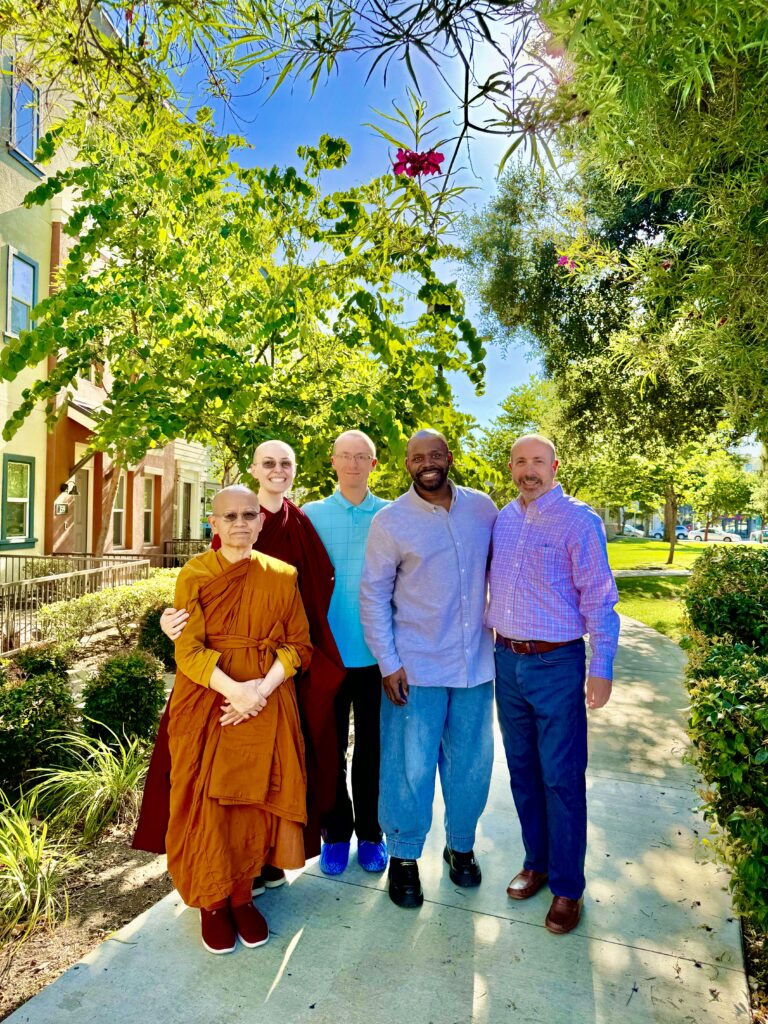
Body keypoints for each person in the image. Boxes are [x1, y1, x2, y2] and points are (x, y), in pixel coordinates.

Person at [133, 441, 345, 885]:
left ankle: (265, 857)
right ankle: (218, 872)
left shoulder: (300, 522)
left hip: (283, 666)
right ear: (253, 470)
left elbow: (316, 592)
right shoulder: (231, 521)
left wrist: (272, 678)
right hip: (220, 676)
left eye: (285, 463)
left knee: (280, 765)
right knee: (213, 772)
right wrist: (173, 624)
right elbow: (204, 594)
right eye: (268, 463)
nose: (277, 470)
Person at [163, 485, 311, 954]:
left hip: (265, 703)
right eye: (230, 516)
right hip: (211, 703)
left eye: (250, 514)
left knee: (253, 803)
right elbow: (187, 648)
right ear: (214, 522)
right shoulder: (196, 573)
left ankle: (243, 896)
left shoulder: (282, 575)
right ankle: (211, 901)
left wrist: (259, 692)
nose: (241, 523)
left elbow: (299, 646)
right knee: (209, 802)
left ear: (261, 522)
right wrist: (236, 692)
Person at [486, 434, 619, 935]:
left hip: (557, 664)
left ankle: (567, 887)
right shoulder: (503, 518)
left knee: (561, 777)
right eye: (520, 461)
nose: (528, 470)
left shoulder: (580, 522)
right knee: (522, 770)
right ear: (511, 467)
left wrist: (600, 666)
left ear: (555, 465)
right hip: (508, 661)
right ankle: (536, 863)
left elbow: (600, 598)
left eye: (537, 461)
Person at [359, 429, 498, 908]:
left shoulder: (484, 509)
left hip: (475, 667)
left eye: (435, 455)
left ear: (449, 458)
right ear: (407, 465)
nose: (427, 463)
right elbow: (373, 594)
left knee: (471, 768)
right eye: (418, 458)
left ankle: (461, 846)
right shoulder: (390, 521)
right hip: (413, 669)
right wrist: (388, 662)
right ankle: (403, 858)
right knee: (407, 769)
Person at [302, 430, 389, 876]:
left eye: (363, 457)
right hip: (326, 656)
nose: (353, 463)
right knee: (328, 749)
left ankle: (371, 834)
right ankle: (336, 832)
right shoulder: (310, 516)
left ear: (374, 464)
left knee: (373, 750)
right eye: (346, 456)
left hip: (378, 658)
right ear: (332, 462)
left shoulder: (393, 515)